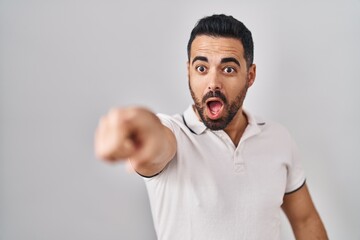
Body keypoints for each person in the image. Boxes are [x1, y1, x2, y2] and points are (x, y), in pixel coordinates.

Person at [94, 14, 328, 240]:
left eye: (228, 69)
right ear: (188, 71)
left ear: (250, 75)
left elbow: (305, 220)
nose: (213, 83)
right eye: (201, 68)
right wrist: (135, 125)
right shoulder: (175, 134)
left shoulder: (278, 139)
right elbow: (155, 137)